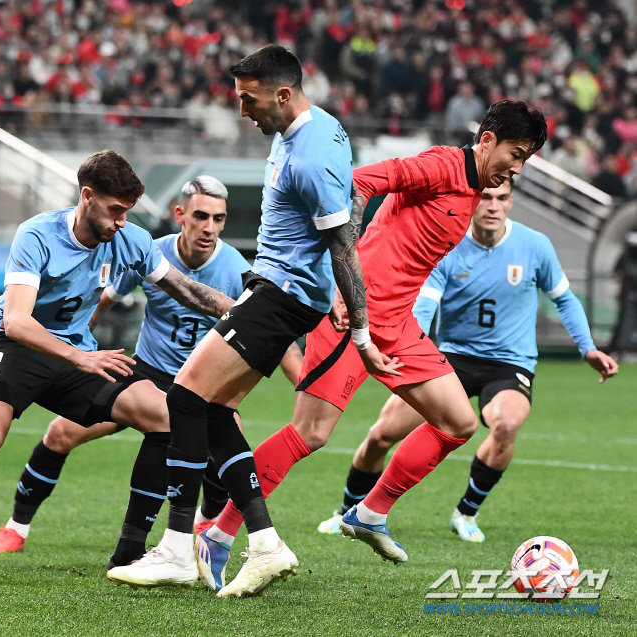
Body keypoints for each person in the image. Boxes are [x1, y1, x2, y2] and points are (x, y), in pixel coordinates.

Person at [195, 100, 550, 591]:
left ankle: (370, 512)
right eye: (516, 151)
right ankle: (218, 533)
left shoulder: (475, 187)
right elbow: (359, 182)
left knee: (459, 422)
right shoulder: (443, 165)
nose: (518, 166)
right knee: (310, 434)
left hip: (398, 325)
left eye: (527, 157)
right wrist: (343, 280)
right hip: (351, 316)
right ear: (487, 139)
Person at [108, 44, 398, 598]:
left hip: (283, 295)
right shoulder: (318, 131)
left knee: (185, 396)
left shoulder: (309, 153)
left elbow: (343, 243)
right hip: (283, 291)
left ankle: (176, 548)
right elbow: (351, 205)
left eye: (250, 98)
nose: (243, 109)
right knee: (214, 407)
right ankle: (265, 544)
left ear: (283, 95)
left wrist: (359, 327)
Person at [0, 175, 303, 563]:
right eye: (201, 216)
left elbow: (267, 331)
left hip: (202, 387)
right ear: (180, 215)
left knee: (228, 442)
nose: (209, 228)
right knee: (60, 433)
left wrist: (302, 381)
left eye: (219, 219)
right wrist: (76, 354)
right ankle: (16, 528)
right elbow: (98, 303)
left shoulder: (234, 267)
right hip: (146, 372)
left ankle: (203, 524)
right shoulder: (146, 250)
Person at [0, 153, 235, 543]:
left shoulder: (130, 239)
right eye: (115, 211)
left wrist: (255, 312)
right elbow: (17, 320)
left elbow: (186, 290)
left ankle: (130, 552)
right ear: (88, 196)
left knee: (164, 416)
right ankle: (15, 525)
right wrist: (81, 356)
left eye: (127, 212)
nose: (122, 222)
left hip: (78, 353)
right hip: (17, 346)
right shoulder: (37, 235)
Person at [317, 178, 619, 540]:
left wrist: (587, 348)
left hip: (510, 364)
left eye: (502, 198)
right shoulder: (450, 243)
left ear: (511, 202)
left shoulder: (535, 246)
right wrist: (412, 346)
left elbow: (565, 299)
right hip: (450, 359)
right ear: (474, 201)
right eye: (486, 197)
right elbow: (425, 304)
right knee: (382, 434)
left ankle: (466, 514)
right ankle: (348, 510)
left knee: (506, 425)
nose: (493, 205)